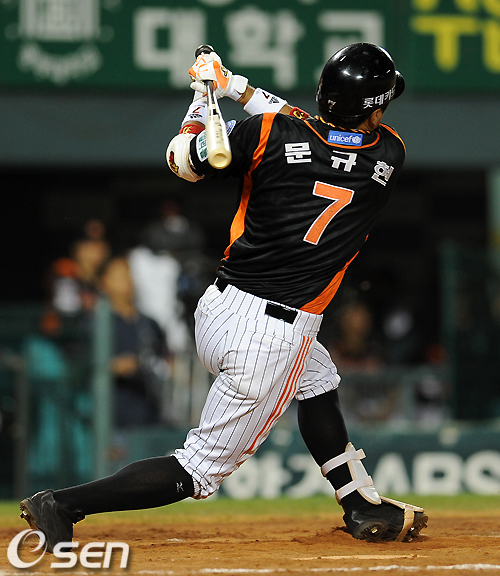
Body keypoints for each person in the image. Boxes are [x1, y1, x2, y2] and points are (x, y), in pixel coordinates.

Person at [19, 43, 427, 551]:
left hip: (220, 308)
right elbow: (312, 127)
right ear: (372, 108)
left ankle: (361, 503)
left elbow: (183, 160)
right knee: (199, 470)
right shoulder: (388, 154)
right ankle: (62, 504)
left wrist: (204, 97)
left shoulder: (265, 133)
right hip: (272, 337)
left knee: (317, 380)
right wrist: (230, 85)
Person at [98, 256, 171, 428]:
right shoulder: (97, 323)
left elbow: (166, 361)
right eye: (119, 276)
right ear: (103, 283)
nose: (127, 281)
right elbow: (81, 367)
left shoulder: (149, 323)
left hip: (149, 415)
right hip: (110, 419)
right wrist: (111, 367)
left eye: (128, 274)